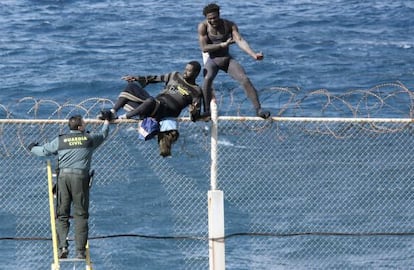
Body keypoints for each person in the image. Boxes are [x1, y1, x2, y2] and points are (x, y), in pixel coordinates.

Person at [28, 115, 110, 259]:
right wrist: (107, 121)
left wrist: (32, 148)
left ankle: (63, 248)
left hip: (63, 178)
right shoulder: (88, 139)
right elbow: (103, 134)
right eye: (84, 123)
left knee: (62, 215)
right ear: (80, 127)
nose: (85, 124)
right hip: (80, 178)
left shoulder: (61, 140)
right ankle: (80, 251)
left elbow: (43, 151)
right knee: (81, 215)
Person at [99, 60, 204, 157]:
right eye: (185, 69)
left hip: (165, 111)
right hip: (153, 106)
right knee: (132, 87)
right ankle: (113, 112)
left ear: (196, 73)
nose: (185, 72)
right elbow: (155, 78)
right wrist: (137, 78)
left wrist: (193, 112)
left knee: (151, 101)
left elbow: (196, 116)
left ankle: (123, 117)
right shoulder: (175, 75)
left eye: (189, 71)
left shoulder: (196, 91)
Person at [198, 3, 271, 119]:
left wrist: (254, 55)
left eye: (214, 17)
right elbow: (204, 48)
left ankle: (258, 109)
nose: (212, 21)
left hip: (227, 60)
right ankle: (207, 111)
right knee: (207, 80)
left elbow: (240, 40)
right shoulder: (203, 27)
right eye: (209, 19)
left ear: (219, 15)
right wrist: (222, 45)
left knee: (245, 79)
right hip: (213, 60)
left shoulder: (229, 25)